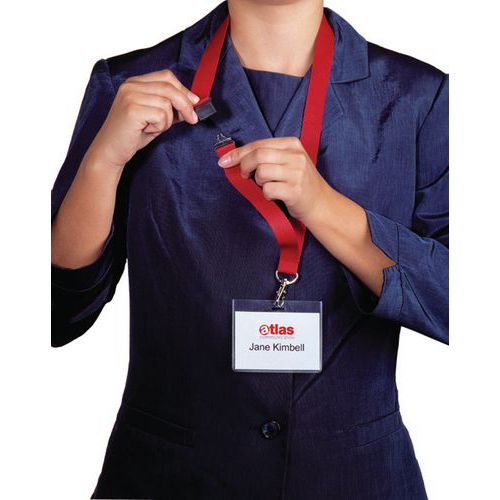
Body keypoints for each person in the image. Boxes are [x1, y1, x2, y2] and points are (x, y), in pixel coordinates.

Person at [51, 0, 448, 498]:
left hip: (353, 478)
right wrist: (102, 162)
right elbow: (56, 312)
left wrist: (323, 206)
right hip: (168, 476)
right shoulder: (129, 87)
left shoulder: (418, 97)